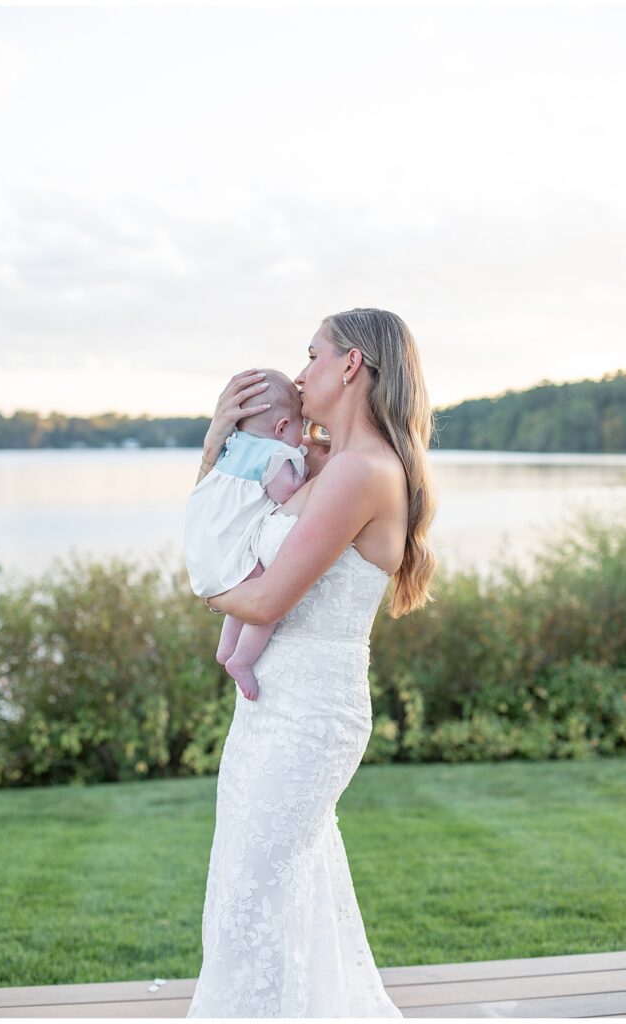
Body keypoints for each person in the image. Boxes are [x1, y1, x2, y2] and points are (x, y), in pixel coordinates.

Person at [186, 307, 438, 1017]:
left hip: (308, 719)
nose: (300, 374)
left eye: (312, 355)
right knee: (275, 899)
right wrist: (215, 444)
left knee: (250, 903)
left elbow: (263, 600)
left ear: (352, 364)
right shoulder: (325, 462)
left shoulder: (361, 472)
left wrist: (206, 589)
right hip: (269, 707)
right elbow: (233, 520)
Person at [184, 370, 310, 700]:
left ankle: (226, 650)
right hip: (230, 544)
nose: (304, 437)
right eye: (302, 427)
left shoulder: (234, 445)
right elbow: (286, 492)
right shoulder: (276, 454)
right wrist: (302, 472)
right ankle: (240, 659)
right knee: (259, 594)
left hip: (210, 542)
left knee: (241, 586)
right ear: (282, 427)